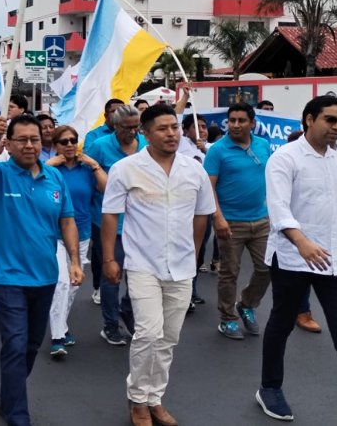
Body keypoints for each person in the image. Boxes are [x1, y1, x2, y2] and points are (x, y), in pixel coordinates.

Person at [255, 95, 337, 426]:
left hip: (336, 262)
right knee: (281, 324)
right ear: (309, 119)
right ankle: (269, 387)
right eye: (330, 120)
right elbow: (279, 208)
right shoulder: (285, 158)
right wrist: (302, 243)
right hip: (291, 259)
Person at [103, 104, 214, 426]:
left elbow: (201, 215)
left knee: (169, 338)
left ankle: (155, 398)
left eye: (175, 128)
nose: (172, 134)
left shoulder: (194, 169)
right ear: (146, 133)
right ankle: (137, 399)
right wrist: (109, 258)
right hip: (142, 264)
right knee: (148, 334)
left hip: (181, 266)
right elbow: (110, 214)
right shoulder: (126, 169)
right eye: (163, 129)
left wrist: (193, 256)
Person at [0, 114, 81, 426]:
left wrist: (75, 261)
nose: (29, 145)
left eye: (34, 139)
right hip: (7, 276)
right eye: (21, 139)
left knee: (33, 345)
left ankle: (9, 399)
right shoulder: (1, 174)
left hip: (45, 275)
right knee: (15, 343)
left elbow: (67, 221)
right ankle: (18, 415)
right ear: (9, 143)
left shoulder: (54, 178)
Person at [204, 103, 273, 341]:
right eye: (231, 120)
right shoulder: (218, 150)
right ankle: (227, 319)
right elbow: (208, 187)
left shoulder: (263, 145)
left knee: (268, 268)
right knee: (229, 273)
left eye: (241, 120)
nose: (235, 125)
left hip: (262, 219)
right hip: (230, 222)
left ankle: (247, 304)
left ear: (252, 123)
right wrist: (218, 217)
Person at [86, 104, 145, 345]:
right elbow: (90, 181)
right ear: (115, 125)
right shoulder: (99, 147)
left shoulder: (145, 145)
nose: (132, 132)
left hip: (141, 222)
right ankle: (110, 325)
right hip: (109, 222)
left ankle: (127, 310)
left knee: (141, 274)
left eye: (136, 127)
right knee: (112, 275)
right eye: (126, 128)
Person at [45, 125, 105, 357]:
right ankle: (57, 337)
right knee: (61, 283)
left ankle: (63, 327)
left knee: (71, 286)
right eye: (64, 142)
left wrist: (94, 164)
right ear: (56, 145)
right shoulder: (51, 169)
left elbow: (108, 188)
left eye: (73, 141)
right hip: (53, 234)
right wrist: (51, 164)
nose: (69, 145)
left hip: (82, 233)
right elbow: (31, 180)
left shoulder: (86, 170)